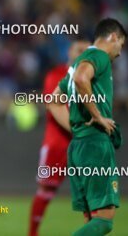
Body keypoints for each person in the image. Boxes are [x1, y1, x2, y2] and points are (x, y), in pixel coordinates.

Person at [47, 18, 127, 235]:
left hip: (78, 146)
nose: (120, 52)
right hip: (94, 144)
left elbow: (53, 100)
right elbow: (83, 78)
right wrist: (98, 116)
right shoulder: (98, 56)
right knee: (104, 221)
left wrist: (77, 127)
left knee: (91, 219)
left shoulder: (74, 66)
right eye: (121, 44)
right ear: (112, 37)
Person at [28, 39, 90, 236]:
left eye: (87, 50)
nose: (82, 53)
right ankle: (33, 233)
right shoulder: (56, 75)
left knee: (91, 194)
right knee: (46, 190)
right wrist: (81, 130)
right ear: (69, 52)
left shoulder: (92, 78)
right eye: (78, 49)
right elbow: (55, 108)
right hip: (58, 144)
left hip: (83, 144)